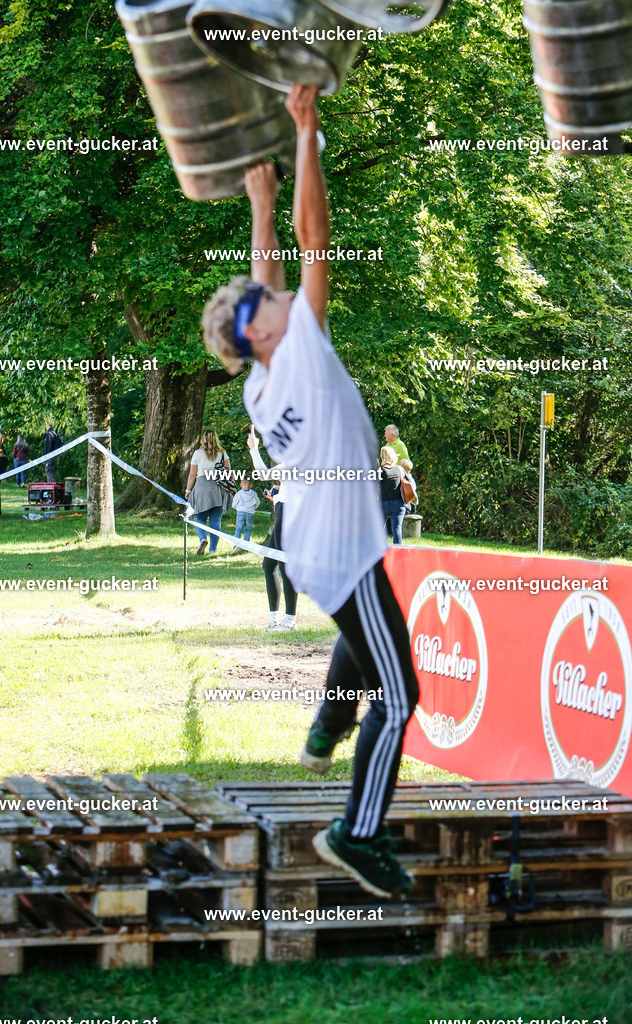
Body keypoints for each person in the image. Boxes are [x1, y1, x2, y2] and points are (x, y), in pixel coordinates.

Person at [201, 85, 420, 898]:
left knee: (364, 641)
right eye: (268, 301)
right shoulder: (298, 348)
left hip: (317, 550)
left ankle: (328, 722)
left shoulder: (261, 384)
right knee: (401, 698)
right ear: (260, 331)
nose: (281, 291)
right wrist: (304, 130)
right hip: (339, 553)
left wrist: (258, 205)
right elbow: (314, 240)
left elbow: (266, 276)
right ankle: (356, 833)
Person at [247, 425, 298, 631]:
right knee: (269, 565)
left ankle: (289, 620)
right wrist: (278, 493)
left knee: (286, 568)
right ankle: (273, 618)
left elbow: (262, 474)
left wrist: (253, 448)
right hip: (283, 511)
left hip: (288, 515)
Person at [184, 429, 232, 555]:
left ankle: (203, 539)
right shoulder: (222, 453)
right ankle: (213, 550)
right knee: (215, 520)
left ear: (203, 440)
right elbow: (229, 472)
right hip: (218, 487)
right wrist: (232, 489)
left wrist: (188, 490)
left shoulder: (197, 453)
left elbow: (192, 474)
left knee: (199, 517)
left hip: (202, 487)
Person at [380, 445, 407, 545]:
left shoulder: (380, 470)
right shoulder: (400, 469)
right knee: (397, 529)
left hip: (384, 503)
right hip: (398, 503)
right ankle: (398, 550)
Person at [231, 472, 260, 552]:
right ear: (251, 485)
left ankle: (236, 545)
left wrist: (237, 508)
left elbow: (234, 504)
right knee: (247, 529)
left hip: (240, 512)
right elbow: (258, 503)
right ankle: (246, 546)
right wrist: (253, 508)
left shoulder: (239, 494)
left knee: (238, 529)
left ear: (240, 484)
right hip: (250, 513)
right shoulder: (254, 494)